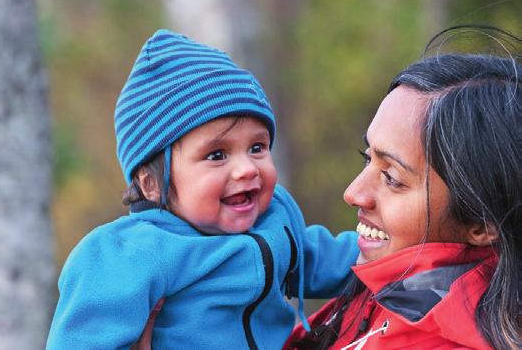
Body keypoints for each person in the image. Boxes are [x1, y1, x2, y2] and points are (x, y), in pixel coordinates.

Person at [46, 29, 360, 350]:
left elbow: (337, 261)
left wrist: (400, 245)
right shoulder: (128, 254)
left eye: (257, 147)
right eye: (217, 155)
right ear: (151, 184)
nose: (247, 168)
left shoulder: (275, 219)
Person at [285, 26, 522, 349]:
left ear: (481, 224)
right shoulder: (397, 292)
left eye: (392, 178)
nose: (353, 193)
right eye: (367, 158)